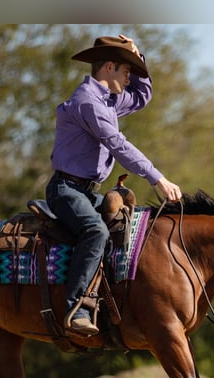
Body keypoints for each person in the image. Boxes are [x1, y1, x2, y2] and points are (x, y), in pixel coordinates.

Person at [48, 34, 182, 336]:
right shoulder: (88, 103)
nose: (130, 77)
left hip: (85, 191)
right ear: (109, 67)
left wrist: (138, 57)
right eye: (126, 70)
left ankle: (108, 303)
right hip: (66, 190)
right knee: (95, 231)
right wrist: (157, 178)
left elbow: (141, 96)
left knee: (127, 225)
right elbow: (118, 145)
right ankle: (77, 309)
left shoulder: (108, 100)